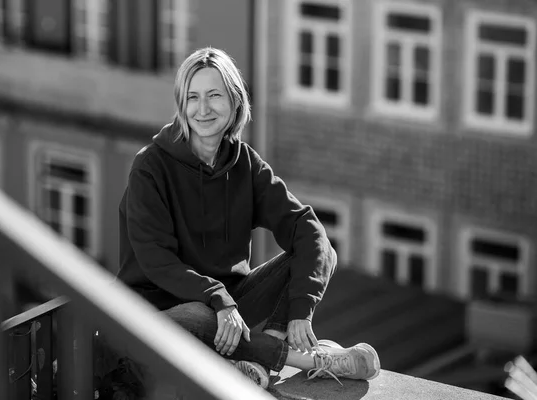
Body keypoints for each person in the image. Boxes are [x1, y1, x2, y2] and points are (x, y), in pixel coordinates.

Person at [117, 47, 381, 389]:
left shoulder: (244, 164)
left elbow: (305, 227)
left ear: (235, 101)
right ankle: (309, 359)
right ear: (181, 105)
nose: (203, 109)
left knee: (322, 253)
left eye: (214, 95)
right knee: (199, 314)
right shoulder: (150, 167)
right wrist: (217, 297)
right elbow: (156, 261)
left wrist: (301, 308)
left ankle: (259, 357)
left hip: (228, 308)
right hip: (158, 314)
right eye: (192, 97)